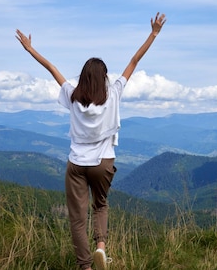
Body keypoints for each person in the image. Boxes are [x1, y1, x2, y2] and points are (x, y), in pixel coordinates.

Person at [16, 13, 166, 270]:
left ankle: (85, 266)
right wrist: (153, 34)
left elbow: (52, 68)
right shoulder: (114, 94)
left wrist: (31, 49)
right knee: (100, 205)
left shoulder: (72, 96)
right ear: (105, 77)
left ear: (83, 78)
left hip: (76, 164)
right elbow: (134, 60)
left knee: (77, 219)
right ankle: (101, 247)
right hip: (103, 162)